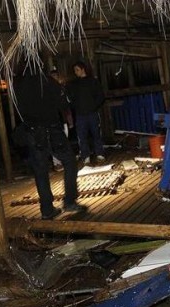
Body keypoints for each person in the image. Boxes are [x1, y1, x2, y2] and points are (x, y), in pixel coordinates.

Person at [13, 68, 87, 220]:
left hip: (32, 132)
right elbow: (63, 103)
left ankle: (47, 209)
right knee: (70, 162)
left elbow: (19, 109)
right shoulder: (46, 81)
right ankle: (69, 201)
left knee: (40, 170)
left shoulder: (18, 85)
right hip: (51, 130)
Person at [66, 61, 106, 165]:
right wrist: (76, 107)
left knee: (96, 133)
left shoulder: (93, 81)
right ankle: (86, 156)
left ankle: (100, 154)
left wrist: (94, 106)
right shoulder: (74, 84)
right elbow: (70, 98)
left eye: (77, 70)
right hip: (80, 114)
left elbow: (100, 96)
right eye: (75, 70)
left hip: (92, 113)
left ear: (83, 69)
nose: (75, 72)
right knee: (82, 136)